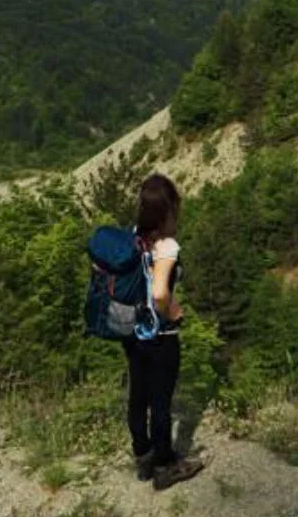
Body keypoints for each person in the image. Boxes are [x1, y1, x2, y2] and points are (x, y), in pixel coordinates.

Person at [124, 174, 203, 489]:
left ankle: (143, 458)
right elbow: (158, 291)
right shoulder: (166, 245)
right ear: (169, 210)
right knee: (160, 401)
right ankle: (166, 465)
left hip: (133, 332)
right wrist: (173, 310)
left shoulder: (135, 237)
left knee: (137, 396)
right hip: (160, 335)